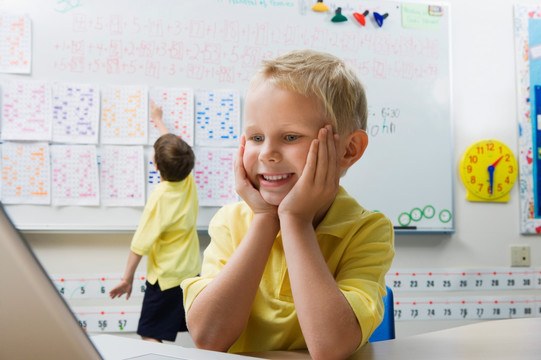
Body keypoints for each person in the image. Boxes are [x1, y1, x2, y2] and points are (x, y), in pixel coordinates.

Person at [181, 49, 395, 359]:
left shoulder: (367, 230)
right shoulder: (231, 222)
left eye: (291, 137)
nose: (267, 153)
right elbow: (208, 338)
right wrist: (265, 220)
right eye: (255, 137)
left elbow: (330, 347)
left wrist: (295, 221)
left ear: (349, 150)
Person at [110, 100, 201, 343]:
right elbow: (176, 148)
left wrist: (127, 278)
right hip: (192, 272)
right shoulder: (188, 180)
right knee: (196, 328)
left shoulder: (160, 198)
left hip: (166, 278)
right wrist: (158, 120)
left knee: (151, 334)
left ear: (156, 165)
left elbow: (140, 244)